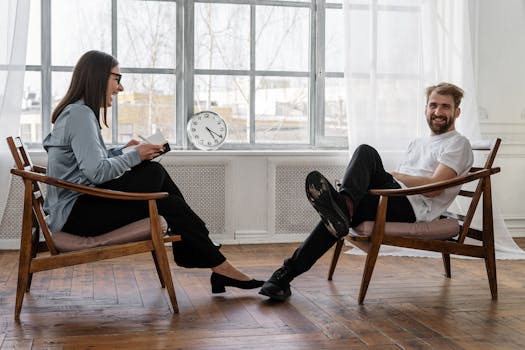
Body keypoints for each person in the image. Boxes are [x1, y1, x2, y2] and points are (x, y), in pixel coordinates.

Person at [43, 50, 264, 293]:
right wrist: (135, 155)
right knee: (154, 174)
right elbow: (96, 172)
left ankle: (216, 263)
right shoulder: (80, 115)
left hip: (79, 205)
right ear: (98, 76)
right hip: (77, 215)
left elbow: (86, 163)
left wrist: (121, 151)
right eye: (117, 78)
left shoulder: (77, 112)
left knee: (167, 198)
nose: (121, 87)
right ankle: (209, 253)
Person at [259, 82, 474, 301]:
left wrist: (398, 177)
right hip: (394, 197)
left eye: (445, 107)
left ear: (457, 112)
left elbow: (434, 189)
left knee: (365, 153)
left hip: (414, 207)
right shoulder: (418, 142)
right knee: (339, 215)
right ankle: (284, 277)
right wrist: (392, 180)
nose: (438, 112)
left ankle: (341, 207)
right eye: (433, 105)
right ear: (426, 109)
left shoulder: (458, 143)